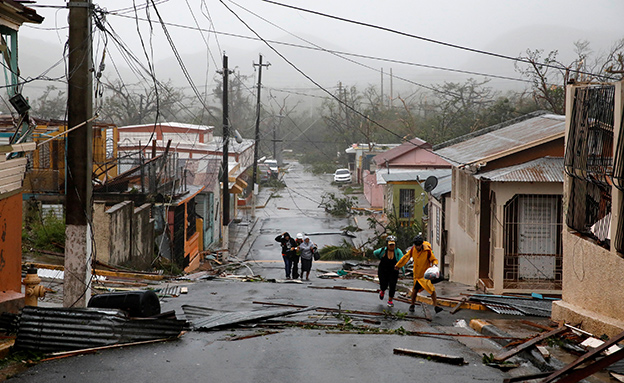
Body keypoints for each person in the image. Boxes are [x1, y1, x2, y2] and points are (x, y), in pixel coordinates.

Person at [395, 235, 442, 313]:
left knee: (432, 290)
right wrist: (398, 265)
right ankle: (412, 305)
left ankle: (436, 306)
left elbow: (433, 259)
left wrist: (435, 265)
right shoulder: (413, 250)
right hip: (417, 275)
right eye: (416, 245)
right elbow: (405, 257)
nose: (418, 247)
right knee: (415, 291)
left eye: (419, 245)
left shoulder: (427, 251)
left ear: (422, 244)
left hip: (425, 275)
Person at [373, 235, 404, 307]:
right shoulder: (383, 250)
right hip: (383, 270)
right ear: (387, 244)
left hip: (393, 271)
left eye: (393, 244)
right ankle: (382, 291)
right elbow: (375, 253)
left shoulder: (398, 252)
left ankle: (390, 300)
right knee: (383, 284)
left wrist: (402, 270)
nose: (391, 246)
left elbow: (402, 260)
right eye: (390, 244)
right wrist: (380, 257)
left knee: (392, 285)